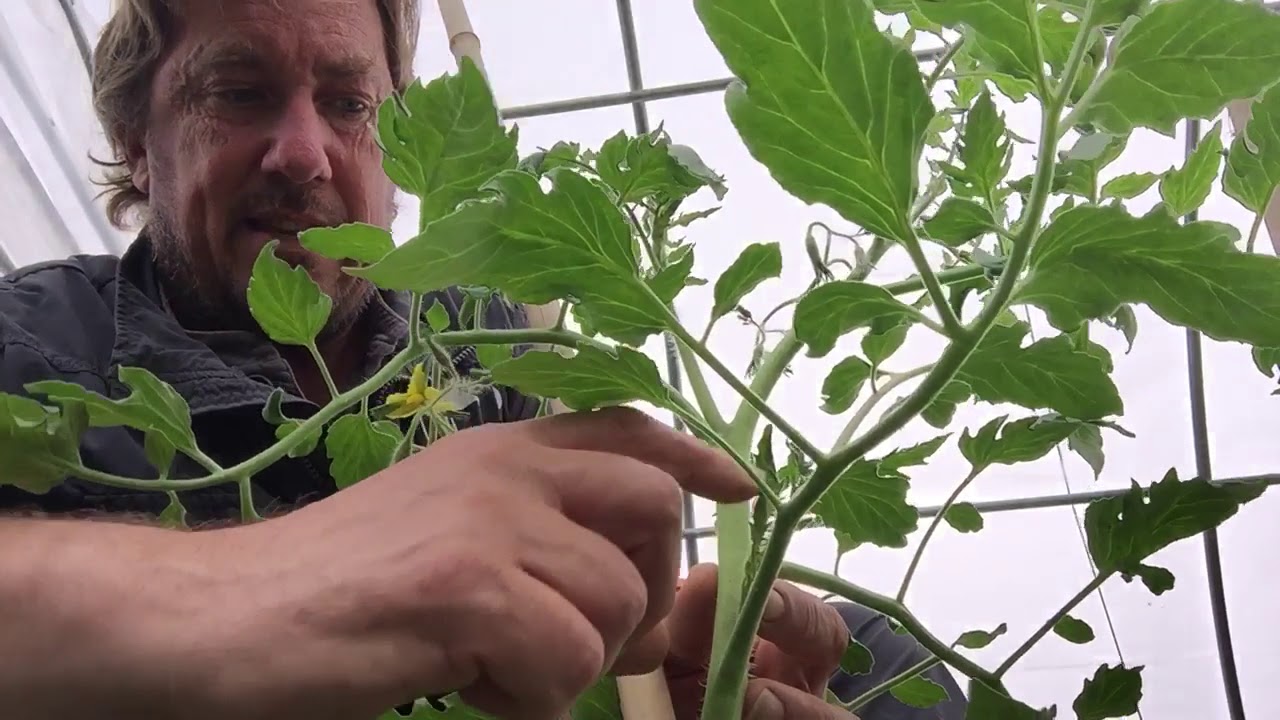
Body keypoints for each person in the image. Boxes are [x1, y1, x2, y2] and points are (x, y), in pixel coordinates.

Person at [0, 1, 964, 718]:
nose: (304, 151)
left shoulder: (501, 338)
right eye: (238, 91)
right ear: (134, 140)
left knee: (875, 659)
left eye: (349, 102)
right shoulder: (36, 344)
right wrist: (274, 582)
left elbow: (591, 629)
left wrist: (665, 673)